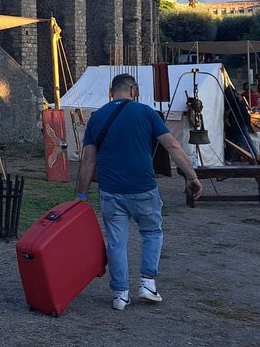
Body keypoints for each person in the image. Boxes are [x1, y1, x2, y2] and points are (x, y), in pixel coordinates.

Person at [76, 73, 203, 311]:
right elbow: (172, 145)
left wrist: (81, 196)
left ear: (110, 91)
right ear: (133, 90)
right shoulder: (146, 113)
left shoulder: (96, 118)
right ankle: (147, 283)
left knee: (116, 242)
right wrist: (191, 176)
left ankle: (120, 294)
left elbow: (88, 161)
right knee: (152, 232)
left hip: (111, 190)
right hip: (143, 187)